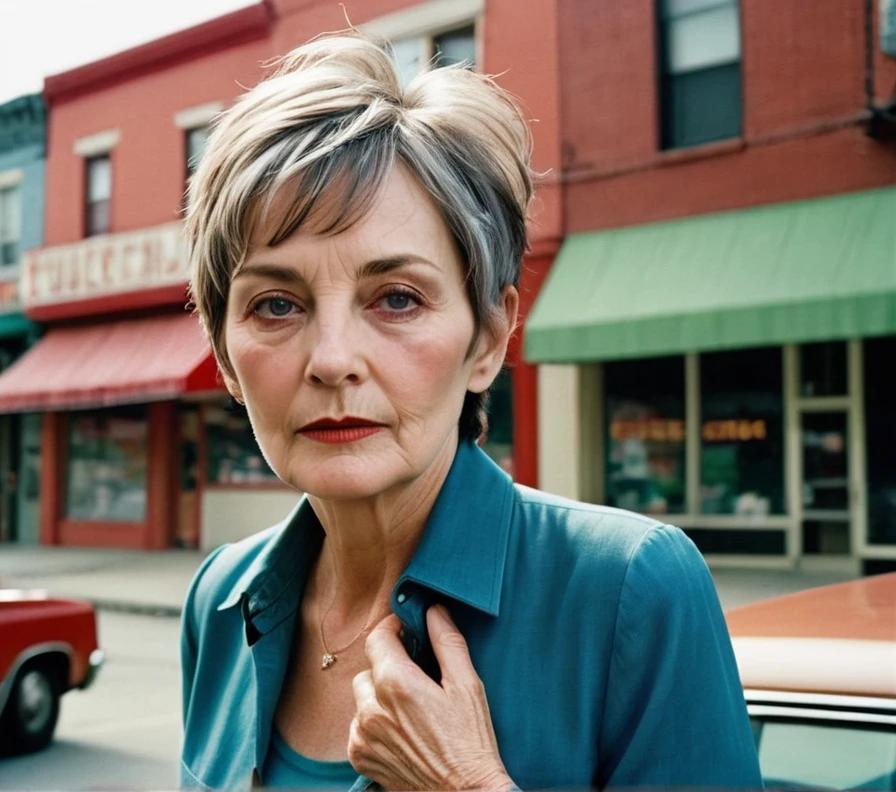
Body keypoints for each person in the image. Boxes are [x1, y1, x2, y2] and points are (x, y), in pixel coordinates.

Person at [179, 32, 762, 791]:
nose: (330, 358)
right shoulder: (220, 599)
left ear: (487, 339)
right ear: (225, 356)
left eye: (396, 298)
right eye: (276, 304)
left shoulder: (630, 591)